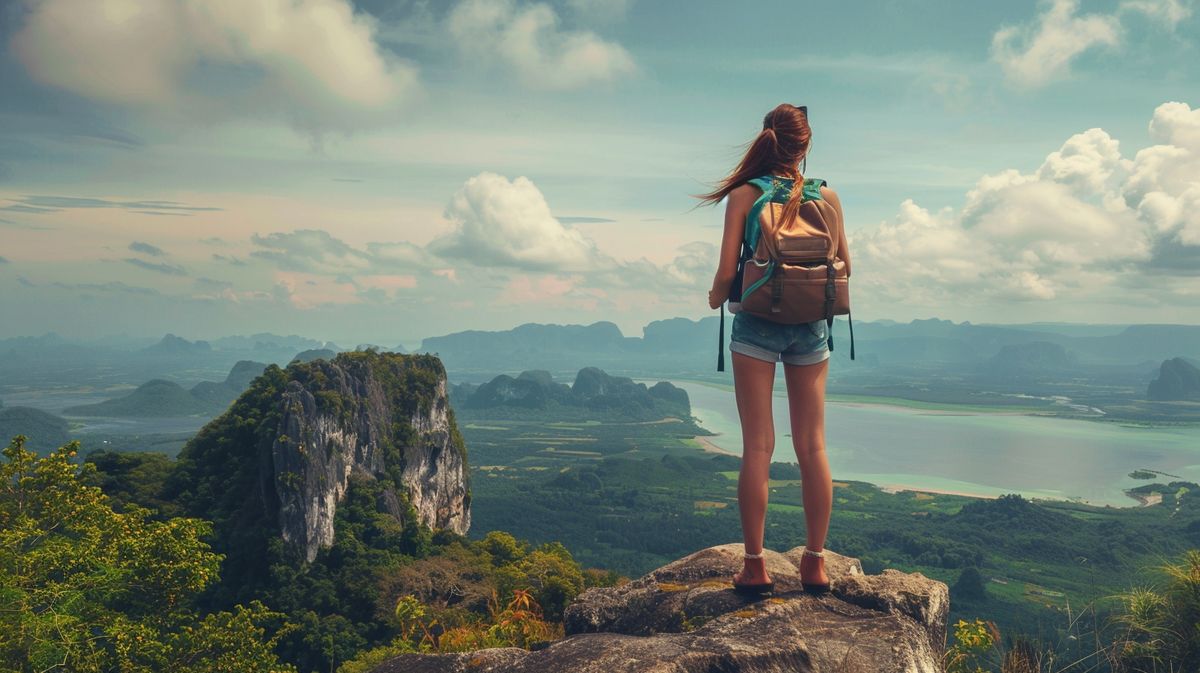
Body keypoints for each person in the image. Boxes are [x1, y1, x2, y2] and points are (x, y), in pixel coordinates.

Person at [696, 103, 850, 595]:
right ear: (805, 147)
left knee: (758, 447)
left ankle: (756, 566)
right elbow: (845, 263)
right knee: (813, 446)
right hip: (811, 327)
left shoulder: (744, 195)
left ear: (767, 140)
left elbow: (725, 274)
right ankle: (814, 564)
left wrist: (718, 297)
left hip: (757, 326)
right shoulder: (826, 195)